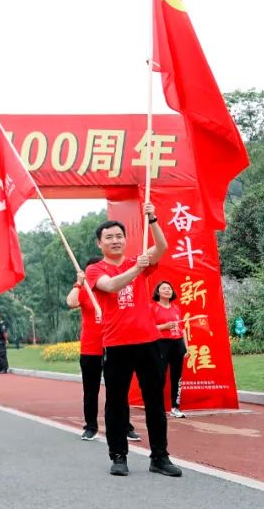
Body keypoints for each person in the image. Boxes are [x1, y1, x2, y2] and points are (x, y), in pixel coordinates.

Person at [86, 205, 181, 478]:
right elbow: (111, 286)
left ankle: (160, 456)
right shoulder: (95, 269)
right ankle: (118, 455)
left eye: (119, 236)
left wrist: (153, 219)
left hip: (148, 342)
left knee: (154, 401)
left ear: (125, 239)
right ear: (100, 243)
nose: (115, 240)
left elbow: (161, 247)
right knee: (116, 402)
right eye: (109, 237)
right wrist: (137, 269)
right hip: (117, 344)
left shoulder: (136, 262)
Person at [67, 258, 143, 444]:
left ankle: (125, 426)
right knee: (90, 390)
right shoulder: (85, 291)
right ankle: (91, 426)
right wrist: (79, 283)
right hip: (91, 348)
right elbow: (71, 302)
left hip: (115, 345)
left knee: (118, 390)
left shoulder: (115, 289)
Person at [151, 281, 188, 419]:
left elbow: (182, 329)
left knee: (176, 377)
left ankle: (175, 407)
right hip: (161, 344)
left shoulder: (176, 308)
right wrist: (164, 326)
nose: (167, 290)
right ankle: (158, 408)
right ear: (158, 292)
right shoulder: (153, 308)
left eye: (169, 288)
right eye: (164, 288)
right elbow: (148, 327)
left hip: (177, 344)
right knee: (159, 376)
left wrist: (186, 346)